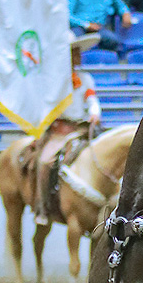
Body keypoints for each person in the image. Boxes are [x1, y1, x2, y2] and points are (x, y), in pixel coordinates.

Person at [31, 31, 102, 224]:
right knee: (45, 162)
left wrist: (95, 112)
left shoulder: (85, 79)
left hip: (80, 129)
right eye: (74, 52)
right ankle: (42, 207)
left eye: (78, 52)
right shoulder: (52, 81)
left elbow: (91, 99)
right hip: (59, 132)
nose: (79, 56)